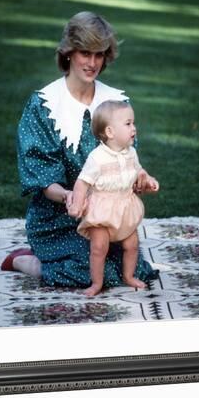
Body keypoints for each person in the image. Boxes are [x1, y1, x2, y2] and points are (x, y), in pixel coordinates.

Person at [1, 11, 159, 289]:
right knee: (89, 273)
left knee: (134, 270)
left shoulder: (116, 103)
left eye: (99, 54)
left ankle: (57, 262)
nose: (92, 62)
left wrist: (137, 180)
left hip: (107, 216)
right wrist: (70, 196)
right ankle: (25, 260)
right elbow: (41, 175)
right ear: (68, 53)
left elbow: (127, 159)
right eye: (85, 53)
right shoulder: (44, 105)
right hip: (58, 217)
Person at [68, 100, 159, 296]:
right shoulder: (97, 158)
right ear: (110, 132)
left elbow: (138, 170)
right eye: (128, 124)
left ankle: (128, 276)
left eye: (133, 123)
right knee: (99, 248)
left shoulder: (131, 153)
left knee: (131, 245)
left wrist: (147, 178)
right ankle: (96, 283)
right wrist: (76, 204)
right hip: (102, 210)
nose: (134, 128)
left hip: (124, 207)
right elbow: (82, 182)